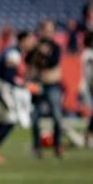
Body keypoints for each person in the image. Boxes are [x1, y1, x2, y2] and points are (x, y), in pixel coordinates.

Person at [0, 30, 36, 162]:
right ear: (23, 40)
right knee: (11, 119)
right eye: (30, 40)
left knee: (2, 120)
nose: (32, 42)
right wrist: (24, 85)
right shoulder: (14, 54)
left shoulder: (14, 52)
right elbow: (8, 77)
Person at [26, 20, 64, 158]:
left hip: (52, 84)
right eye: (47, 31)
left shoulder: (56, 47)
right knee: (35, 117)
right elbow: (28, 60)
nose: (49, 34)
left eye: (51, 31)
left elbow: (52, 62)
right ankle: (36, 147)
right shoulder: (35, 47)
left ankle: (57, 145)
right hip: (37, 84)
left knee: (57, 116)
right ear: (40, 31)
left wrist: (44, 54)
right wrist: (38, 51)